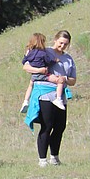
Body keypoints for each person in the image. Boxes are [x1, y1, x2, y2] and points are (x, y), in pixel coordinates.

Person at [24, 30, 76, 167]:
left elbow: (73, 80)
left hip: (60, 94)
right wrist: (44, 74)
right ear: (55, 40)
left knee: (60, 126)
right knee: (47, 126)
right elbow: (27, 66)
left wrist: (65, 79)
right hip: (45, 94)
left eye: (65, 44)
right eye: (60, 43)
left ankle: (54, 157)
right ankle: (42, 159)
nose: (62, 46)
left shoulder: (68, 59)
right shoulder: (43, 52)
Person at [20, 32, 64, 112]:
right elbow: (48, 61)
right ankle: (58, 99)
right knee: (60, 81)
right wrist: (55, 60)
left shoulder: (29, 52)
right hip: (43, 74)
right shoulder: (42, 53)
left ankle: (25, 101)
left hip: (34, 75)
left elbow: (24, 61)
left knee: (30, 86)